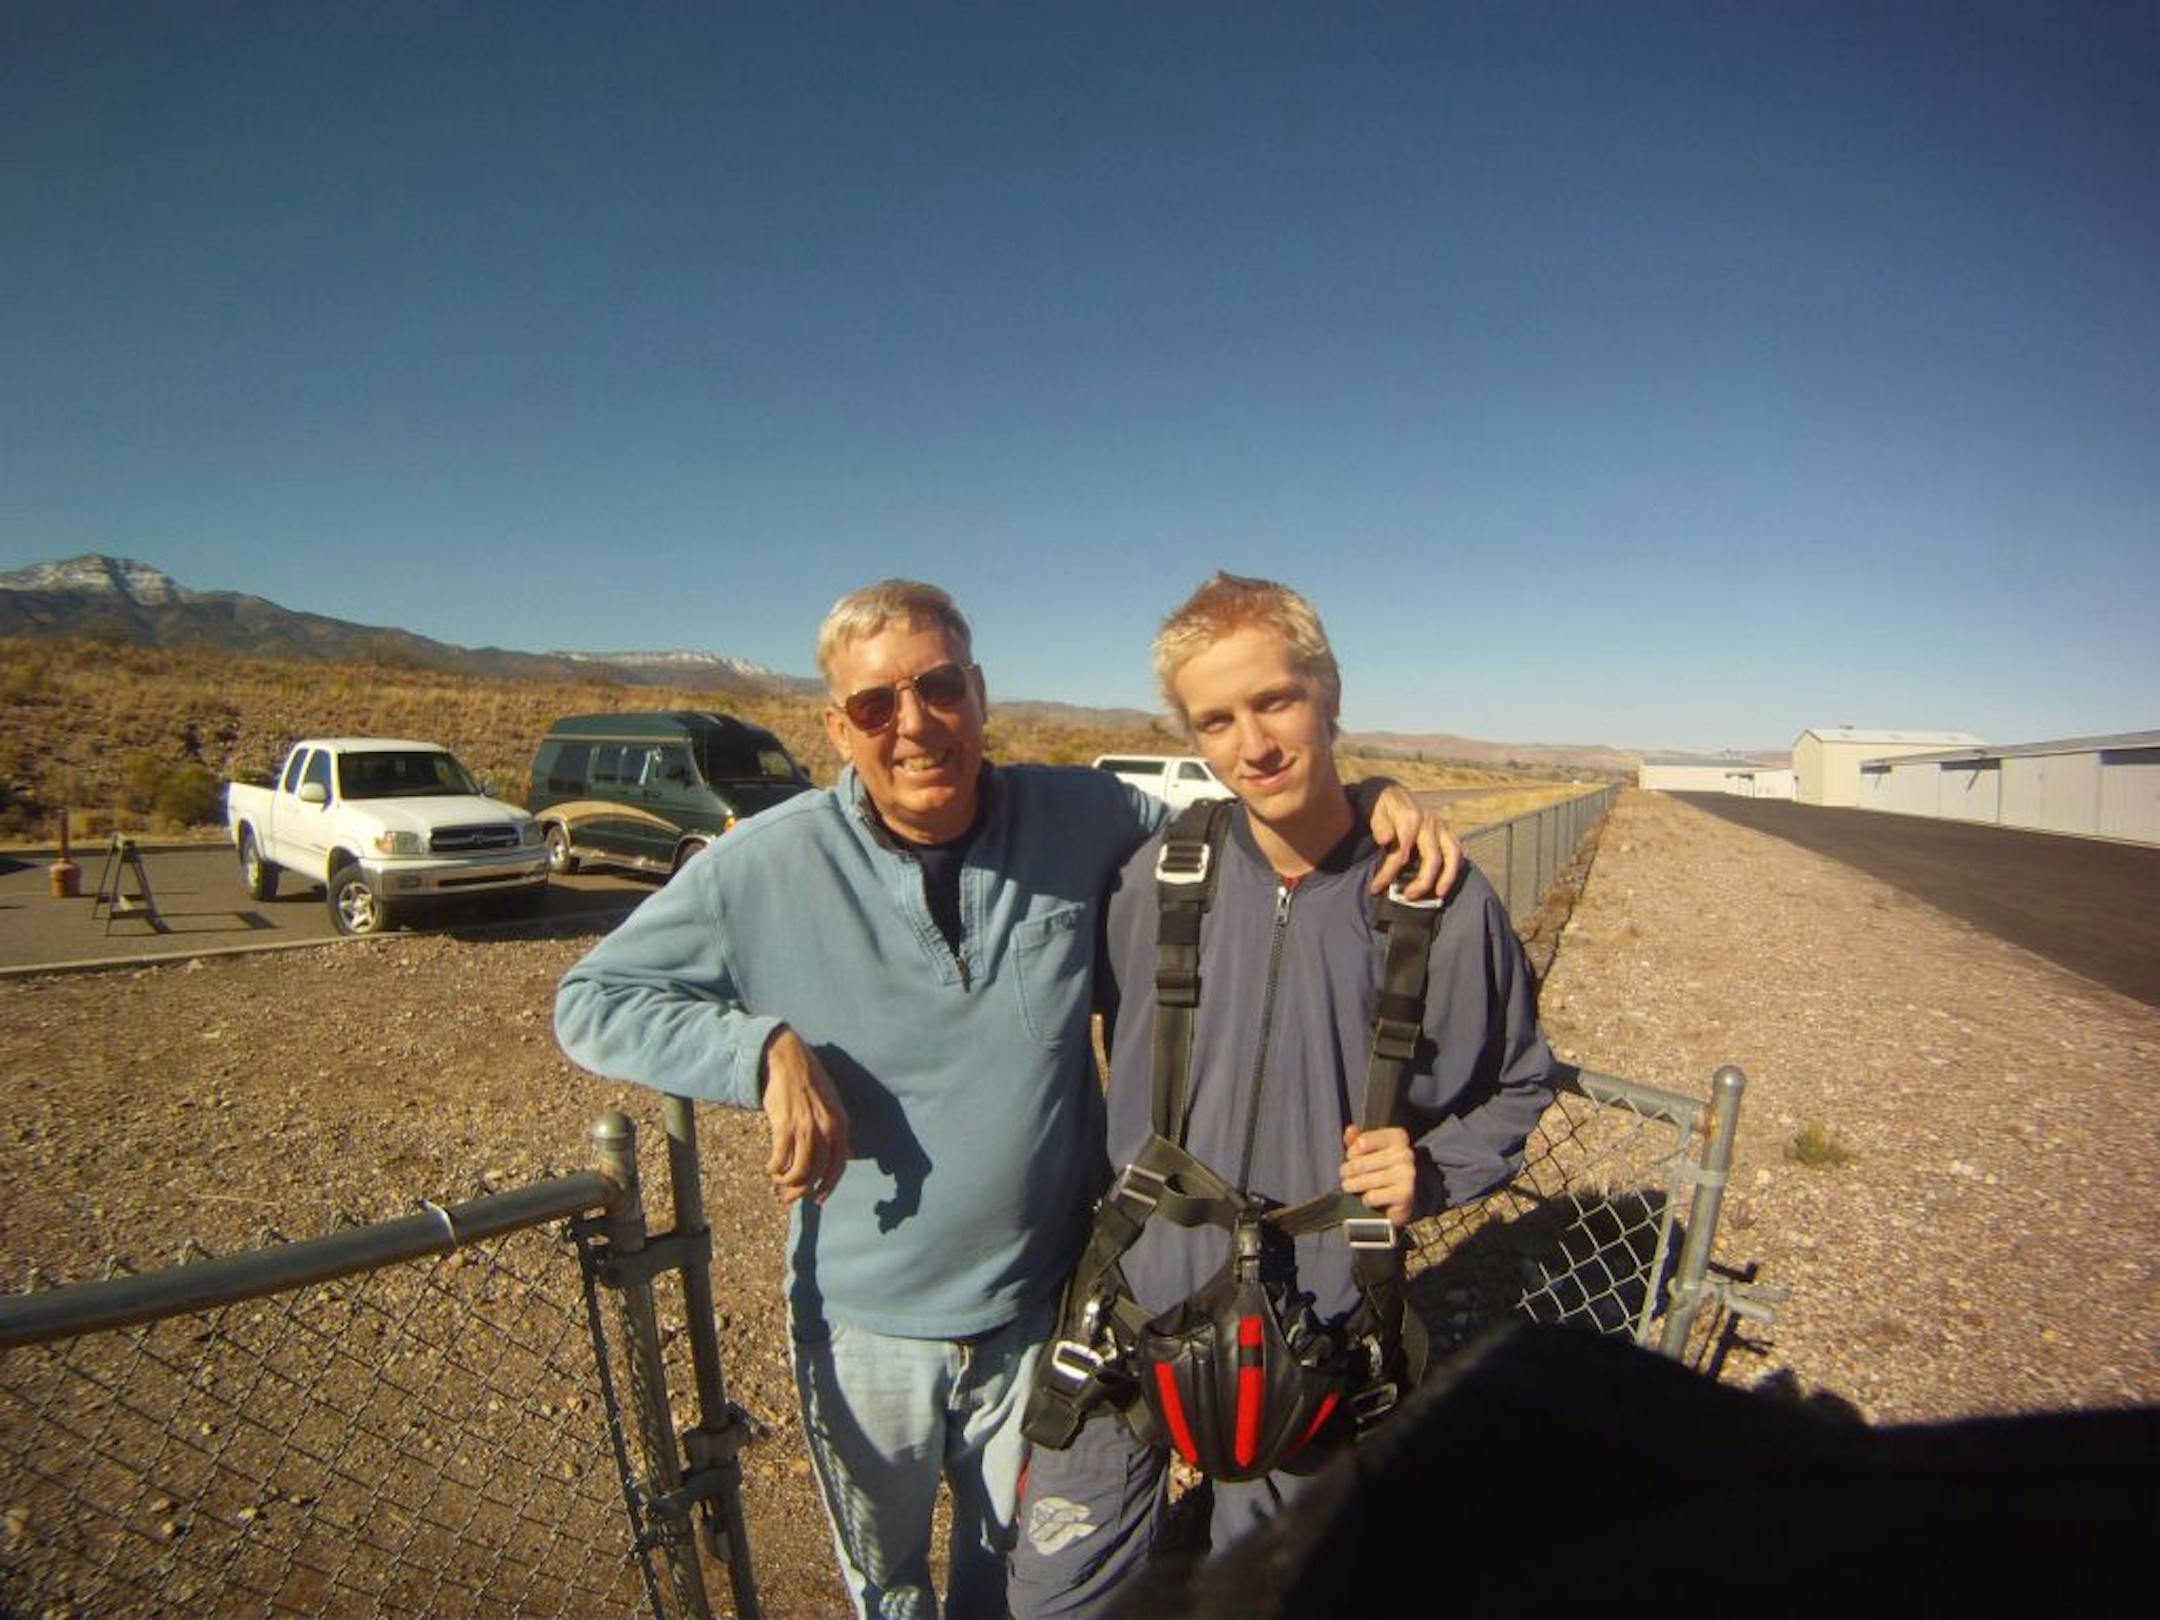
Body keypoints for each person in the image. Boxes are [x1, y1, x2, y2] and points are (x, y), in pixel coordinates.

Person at [552, 579, 1460, 1620]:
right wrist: (757, 1048)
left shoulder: (1080, 815)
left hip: (1039, 1310)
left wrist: (1375, 795)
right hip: (865, 1326)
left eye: (939, 687)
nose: (914, 724)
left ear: (979, 693)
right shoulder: (765, 864)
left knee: (1013, 1578)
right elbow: (592, 1000)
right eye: (874, 705)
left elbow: (1252, 812)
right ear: (834, 727)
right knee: (890, 1582)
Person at [1008, 574, 1556, 1620]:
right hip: (1132, 1322)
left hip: (1318, 1347)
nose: (1252, 742)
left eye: (1275, 702)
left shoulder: (1435, 900)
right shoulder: (1152, 881)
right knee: (1053, 1601)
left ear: (1329, 693)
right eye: (1215, 719)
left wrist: (1435, 1168)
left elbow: (1520, 1080)